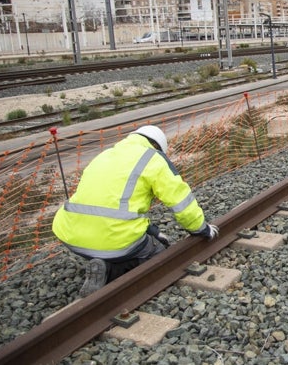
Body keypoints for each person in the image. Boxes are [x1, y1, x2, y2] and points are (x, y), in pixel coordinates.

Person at [52, 125, 219, 297]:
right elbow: (181, 201)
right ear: (158, 147)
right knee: (159, 256)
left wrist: (152, 231)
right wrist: (201, 228)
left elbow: (114, 206)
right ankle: (110, 270)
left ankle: (101, 260)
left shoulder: (105, 155)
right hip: (114, 239)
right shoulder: (153, 159)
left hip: (70, 234)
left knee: (125, 241)